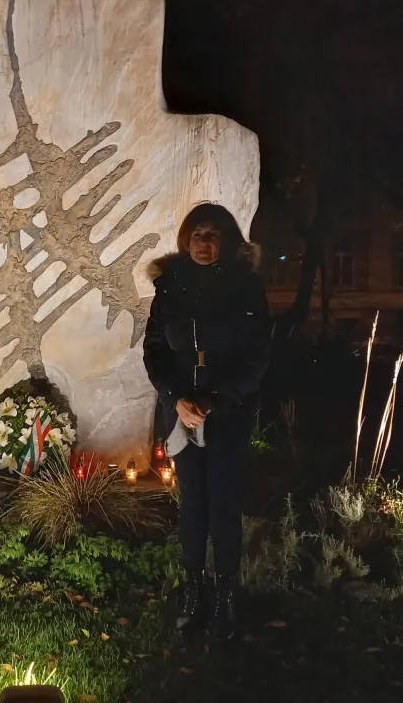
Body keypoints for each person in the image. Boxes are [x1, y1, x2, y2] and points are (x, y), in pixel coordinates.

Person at [143, 202, 272, 639]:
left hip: (228, 412)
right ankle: (193, 591)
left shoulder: (246, 286)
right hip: (181, 412)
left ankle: (226, 594)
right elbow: (155, 350)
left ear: (227, 240)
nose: (204, 242)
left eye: (213, 235)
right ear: (186, 239)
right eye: (197, 234)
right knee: (193, 502)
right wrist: (176, 398)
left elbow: (256, 355)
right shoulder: (169, 285)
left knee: (224, 502)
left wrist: (216, 400)